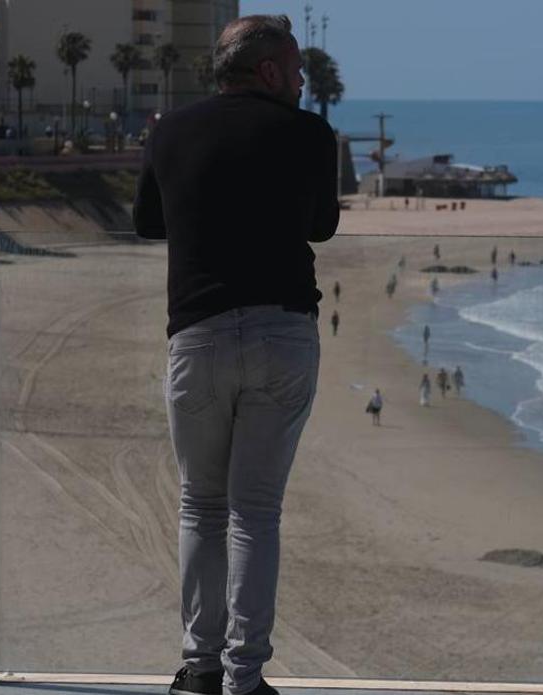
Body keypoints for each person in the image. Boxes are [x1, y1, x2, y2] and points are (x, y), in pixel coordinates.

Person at [133, 14, 337, 695]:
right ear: (270, 71)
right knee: (254, 509)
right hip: (281, 335)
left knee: (201, 505)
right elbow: (323, 225)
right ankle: (245, 678)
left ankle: (198, 667)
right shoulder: (308, 134)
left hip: (199, 335)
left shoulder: (169, 132)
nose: (305, 80)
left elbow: (147, 222)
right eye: (298, 68)